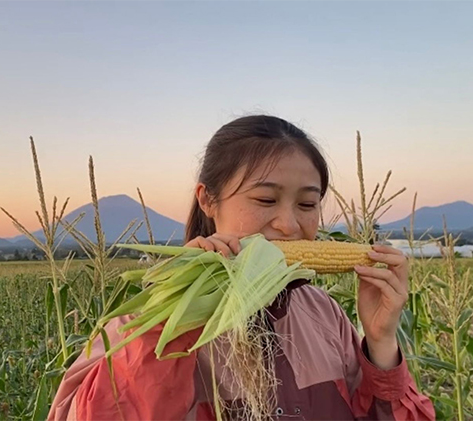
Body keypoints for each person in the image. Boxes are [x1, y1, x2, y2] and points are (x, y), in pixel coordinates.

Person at [48, 115, 436, 420]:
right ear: (208, 200)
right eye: (265, 199)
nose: (288, 225)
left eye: (307, 205)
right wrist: (181, 315)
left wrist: (381, 341)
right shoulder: (148, 322)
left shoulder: (323, 313)